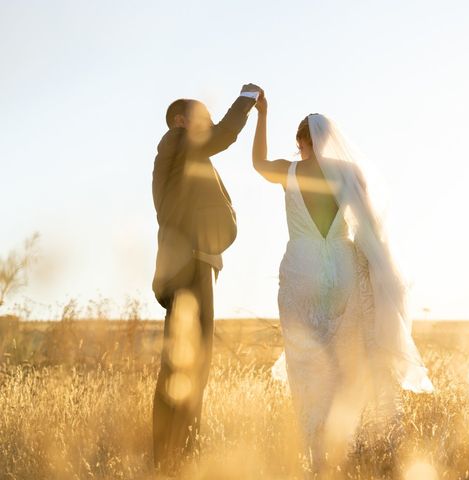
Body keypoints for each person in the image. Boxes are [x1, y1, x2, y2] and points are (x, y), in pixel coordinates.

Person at [251, 93, 434, 473]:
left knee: (306, 363)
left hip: (301, 272)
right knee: (346, 362)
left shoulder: (289, 171)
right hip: (342, 268)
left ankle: (317, 450)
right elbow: (371, 228)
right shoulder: (349, 174)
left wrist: (262, 115)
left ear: (303, 142)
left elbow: (257, 163)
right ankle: (344, 441)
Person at [151, 84, 260, 473]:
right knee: (187, 364)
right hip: (190, 268)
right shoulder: (178, 142)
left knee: (190, 362)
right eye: (202, 118)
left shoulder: (184, 154)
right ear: (182, 122)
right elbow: (224, 134)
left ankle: (178, 453)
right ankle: (173, 455)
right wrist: (248, 96)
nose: (207, 124)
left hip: (195, 265)